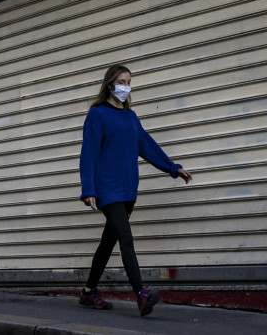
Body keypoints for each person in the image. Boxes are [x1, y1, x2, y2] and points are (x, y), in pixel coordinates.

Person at [78, 64, 192, 317]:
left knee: (108, 242)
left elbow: (147, 146)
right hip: (108, 189)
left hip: (128, 188)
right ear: (110, 84)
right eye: (121, 81)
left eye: (129, 81)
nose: (125, 86)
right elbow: (89, 154)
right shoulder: (97, 114)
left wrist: (173, 168)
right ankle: (140, 293)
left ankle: (88, 292)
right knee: (126, 239)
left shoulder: (131, 116)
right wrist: (89, 189)